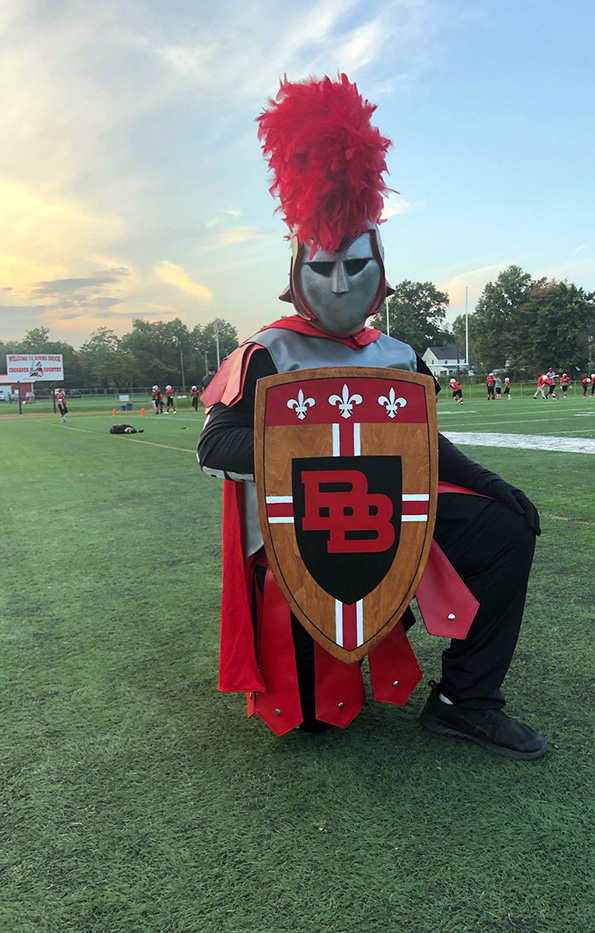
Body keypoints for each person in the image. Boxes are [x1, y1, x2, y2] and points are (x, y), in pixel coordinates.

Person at [197, 74, 547, 759]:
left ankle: (465, 700)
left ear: (380, 267)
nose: (338, 282)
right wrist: (313, 448)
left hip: (396, 517)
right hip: (308, 531)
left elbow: (420, 443)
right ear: (297, 266)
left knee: (508, 526)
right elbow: (216, 444)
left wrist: (486, 480)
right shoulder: (269, 351)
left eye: (354, 265)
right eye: (322, 266)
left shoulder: (398, 353)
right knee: (313, 723)